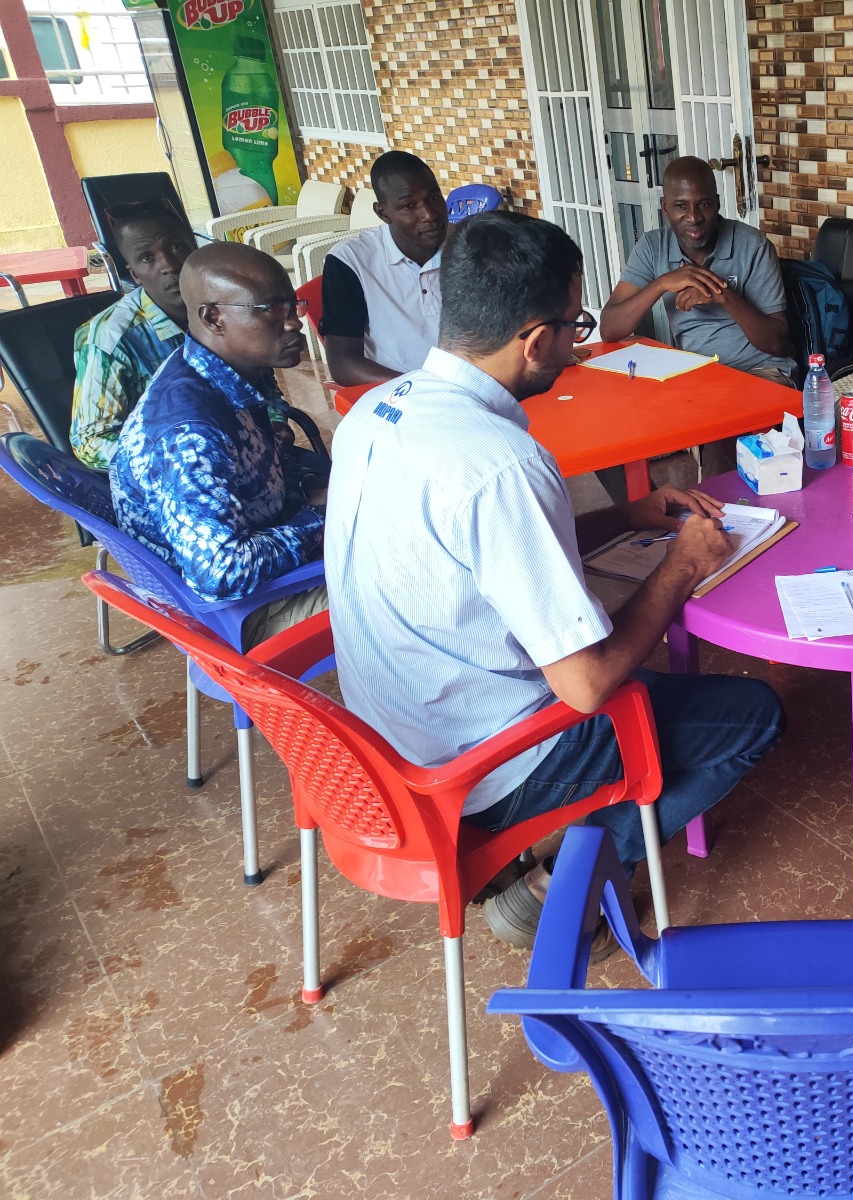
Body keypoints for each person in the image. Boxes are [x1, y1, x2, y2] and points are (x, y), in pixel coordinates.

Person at [324, 210, 786, 950]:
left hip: (386, 738)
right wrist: (684, 563)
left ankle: (551, 857)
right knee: (753, 717)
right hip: (481, 764)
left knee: (653, 682)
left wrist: (625, 515)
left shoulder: (376, 410)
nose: (578, 343)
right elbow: (587, 686)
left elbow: (474, 551)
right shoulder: (500, 461)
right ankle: (555, 886)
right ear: (535, 340)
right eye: (576, 326)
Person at [110, 242, 326, 645]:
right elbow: (222, 573)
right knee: (419, 579)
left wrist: (307, 489)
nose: (293, 323)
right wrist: (323, 518)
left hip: (261, 544)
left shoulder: (226, 369)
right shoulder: (189, 431)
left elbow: (253, 469)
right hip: (240, 612)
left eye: (292, 305)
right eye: (271, 309)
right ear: (214, 318)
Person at [600, 156, 795, 481]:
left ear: (717, 204)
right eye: (681, 206)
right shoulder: (652, 247)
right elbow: (610, 328)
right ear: (665, 207)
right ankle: (647, 506)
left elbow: (777, 343)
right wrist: (663, 282)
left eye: (703, 204)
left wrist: (723, 295)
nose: (693, 217)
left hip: (760, 372)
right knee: (610, 425)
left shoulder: (752, 246)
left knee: (721, 432)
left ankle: (724, 510)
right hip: (694, 376)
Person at [70, 200, 198, 469]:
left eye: (176, 247)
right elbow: (91, 442)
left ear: (195, 251)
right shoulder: (111, 338)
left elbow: (259, 381)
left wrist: (274, 421)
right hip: (168, 469)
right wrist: (177, 460)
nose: (169, 265)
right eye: (147, 258)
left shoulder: (222, 306)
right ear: (135, 275)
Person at [319, 150, 450, 386]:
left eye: (433, 197)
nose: (429, 215)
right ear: (383, 213)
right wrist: (422, 390)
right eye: (409, 205)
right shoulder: (351, 261)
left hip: (471, 388)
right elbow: (343, 364)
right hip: (396, 392)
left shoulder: (469, 246)